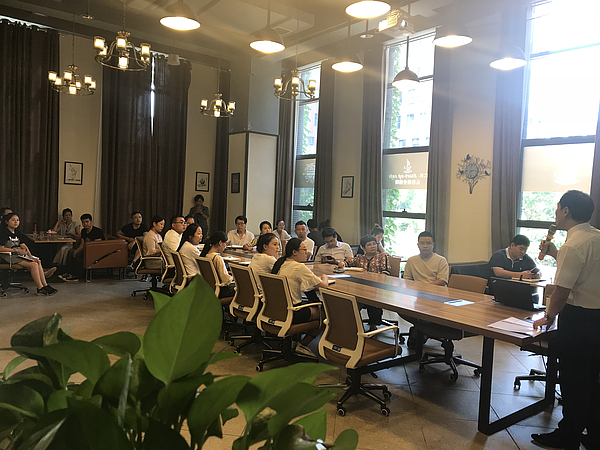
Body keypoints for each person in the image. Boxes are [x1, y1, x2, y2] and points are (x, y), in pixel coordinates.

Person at [531, 191, 600, 450]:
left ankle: (567, 435)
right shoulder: (595, 237)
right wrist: (554, 254)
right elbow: (586, 272)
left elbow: (561, 291)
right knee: (592, 379)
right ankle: (593, 434)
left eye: (557, 208)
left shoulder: (573, 245)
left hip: (579, 319)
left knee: (573, 381)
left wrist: (548, 316)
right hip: (597, 317)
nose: (556, 213)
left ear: (566, 210)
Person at [271, 238, 328, 354]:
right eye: (304, 249)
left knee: (310, 303)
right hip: (292, 312)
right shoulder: (298, 267)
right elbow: (323, 285)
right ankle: (303, 345)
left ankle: (295, 341)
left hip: (278, 310)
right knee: (327, 315)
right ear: (294, 252)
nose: (307, 252)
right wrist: (324, 276)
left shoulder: (282, 263)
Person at [0, 213, 57, 295]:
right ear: (6, 222)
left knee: (37, 261)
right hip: (7, 256)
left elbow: (24, 246)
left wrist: (31, 257)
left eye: (17, 220)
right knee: (33, 265)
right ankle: (40, 288)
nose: (16, 222)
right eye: (13, 220)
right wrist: (16, 250)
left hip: (17, 255)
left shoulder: (17, 232)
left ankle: (45, 285)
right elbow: (1, 248)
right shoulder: (3, 233)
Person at [346, 234, 391, 330]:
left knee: (372, 299)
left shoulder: (382, 256)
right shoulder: (360, 258)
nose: (373, 246)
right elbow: (348, 263)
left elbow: (386, 271)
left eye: (374, 243)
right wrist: (342, 263)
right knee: (350, 300)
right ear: (363, 248)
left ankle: (373, 325)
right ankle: (353, 325)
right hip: (361, 288)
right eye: (369, 244)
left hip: (378, 288)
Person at [59, 213, 105, 282]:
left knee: (79, 254)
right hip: (85, 249)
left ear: (91, 222)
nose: (85, 224)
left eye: (87, 222)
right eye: (83, 222)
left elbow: (95, 245)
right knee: (71, 251)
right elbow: (82, 243)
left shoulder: (97, 231)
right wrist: (77, 250)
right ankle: (68, 272)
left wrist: (80, 251)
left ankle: (76, 275)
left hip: (96, 251)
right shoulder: (83, 231)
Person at [200, 231, 235, 298]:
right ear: (220, 243)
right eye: (226, 243)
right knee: (240, 288)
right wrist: (234, 277)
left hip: (210, 288)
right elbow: (226, 280)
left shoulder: (206, 255)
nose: (225, 246)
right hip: (220, 290)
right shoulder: (217, 258)